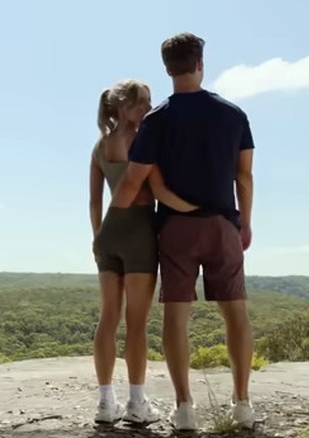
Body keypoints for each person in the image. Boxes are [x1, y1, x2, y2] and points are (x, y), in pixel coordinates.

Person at [110, 33, 256, 431]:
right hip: (224, 225)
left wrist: (113, 220)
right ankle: (242, 405)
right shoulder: (234, 115)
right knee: (236, 314)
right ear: (200, 64)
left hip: (176, 229)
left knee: (176, 317)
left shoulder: (157, 119)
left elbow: (135, 180)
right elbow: (244, 176)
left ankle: (185, 409)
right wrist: (245, 221)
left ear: (167, 68)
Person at [88, 79, 198, 425]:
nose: (148, 109)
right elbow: (160, 191)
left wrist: (98, 238)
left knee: (108, 319)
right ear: (123, 107)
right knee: (136, 324)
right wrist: (194, 209)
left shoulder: (99, 146)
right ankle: (137, 403)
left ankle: (106, 404)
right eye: (142, 103)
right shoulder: (143, 140)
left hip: (108, 233)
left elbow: (94, 201)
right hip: (138, 232)